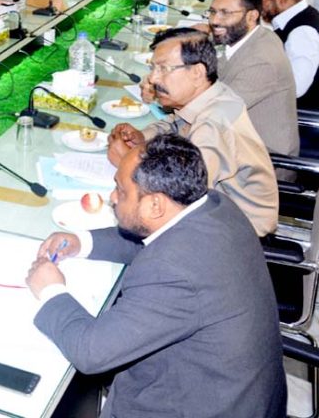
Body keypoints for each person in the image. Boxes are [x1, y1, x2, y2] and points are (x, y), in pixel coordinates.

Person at [27, 134, 286, 417]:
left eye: (122, 191)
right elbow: (154, 236)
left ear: (155, 205)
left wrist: (51, 290)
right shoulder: (213, 205)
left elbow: (91, 352)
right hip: (236, 392)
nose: (112, 198)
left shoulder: (172, 271)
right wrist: (83, 242)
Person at [109, 28, 278, 237]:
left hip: (237, 230)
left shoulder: (211, 127)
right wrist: (143, 136)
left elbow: (182, 195)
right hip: (219, 209)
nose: (152, 79)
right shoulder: (211, 95)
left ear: (197, 72)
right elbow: (175, 122)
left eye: (163, 69)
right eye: (153, 68)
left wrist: (126, 162)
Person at [204, 0, 298, 156]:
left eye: (225, 13)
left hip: (260, 163)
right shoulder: (251, 36)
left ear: (252, 16)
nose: (215, 21)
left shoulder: (262, 62)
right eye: (212, 12)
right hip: (234, 141)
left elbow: (214, 116)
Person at [254, 0, 319, 111]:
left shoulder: (302, 34)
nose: (258, 6)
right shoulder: (304, 14)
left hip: (297, 122)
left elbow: (295, 88)